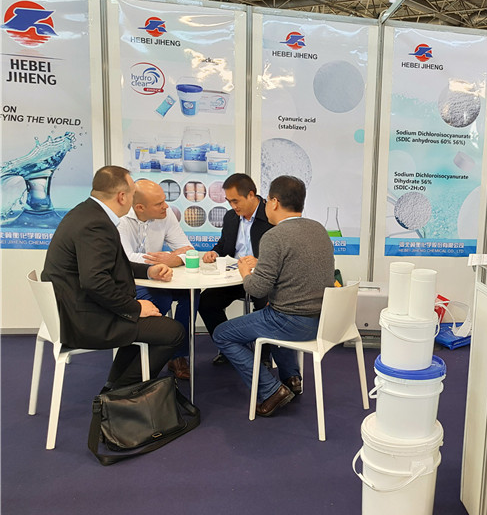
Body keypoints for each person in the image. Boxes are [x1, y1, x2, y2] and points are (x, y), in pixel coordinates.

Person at [42, 166, 184, 391]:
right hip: (83, 321)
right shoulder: (96, 225)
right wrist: (135, 308)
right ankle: (121, 393)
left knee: (150, 325)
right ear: (122, 196)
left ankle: (115, 384)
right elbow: (95, 281)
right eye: (132, 193)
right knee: (173, 332)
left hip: (73, 310)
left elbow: (111, 266)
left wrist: (149, 271)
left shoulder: (85, 213)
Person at [212, 175, 335, 417]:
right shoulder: (318, 229)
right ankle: (292, 378)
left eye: (267, 200)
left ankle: (270, 390)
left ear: (275, 202)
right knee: (271, 312)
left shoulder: (274, 236)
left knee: (222, 334)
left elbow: (257, 289)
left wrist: (245, 272)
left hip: (291, 322)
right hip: (324, 322)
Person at [118, 178, 194, 380]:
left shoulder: (166, 215)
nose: (166, 206)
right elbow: (125, 260)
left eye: (164, 200)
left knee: (191, 295)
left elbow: (188, 250)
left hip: (160, 278)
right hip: (130, 284)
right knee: (161, 299)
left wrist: (174, 258)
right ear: (140, 208)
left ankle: (177, 355)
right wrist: (169, 257)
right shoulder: (120, 219)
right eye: (159, 203)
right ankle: (145, 353)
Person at [198, 173, 274, 366]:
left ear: (251, 195)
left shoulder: (270, 216)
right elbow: (224, 244)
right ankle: (230, 348)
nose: (233, 206)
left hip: (262, 277)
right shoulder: (231, 217)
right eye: (229, 201)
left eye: (235, 201)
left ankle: (264, 356)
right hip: (234, 276)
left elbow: (280, 254)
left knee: (265, 303)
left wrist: (260, 262)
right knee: (206, 302)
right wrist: (214, 253)